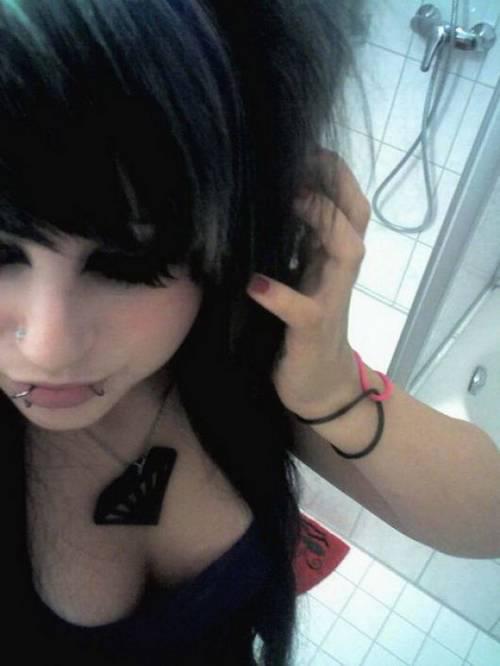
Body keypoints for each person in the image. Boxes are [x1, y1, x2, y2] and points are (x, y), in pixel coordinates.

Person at [1, 1, 499, 664]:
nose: (48, 349)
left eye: (130, 262)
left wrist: (333, 390)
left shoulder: (235, 351)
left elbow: (486, 520)